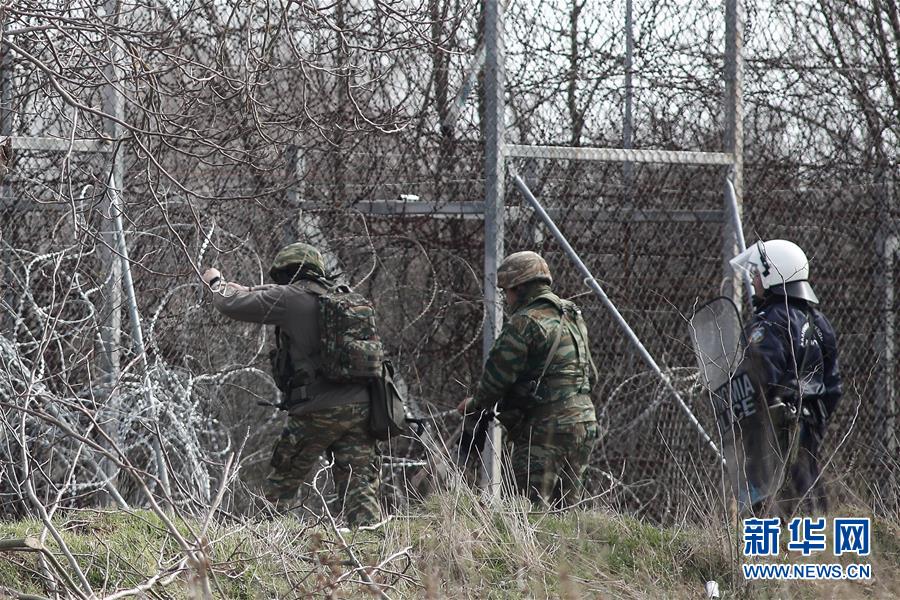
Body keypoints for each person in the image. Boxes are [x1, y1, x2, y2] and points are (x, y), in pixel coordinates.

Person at [202, 242, 381, 526]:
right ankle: (371, 556)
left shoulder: (289, 299)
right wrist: (248, 289)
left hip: (316, 409)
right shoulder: (344, 299)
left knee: (281, 484)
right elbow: (262, 294)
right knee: (360, 490)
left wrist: (215, 281)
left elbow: (230, 303)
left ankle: (266, 546)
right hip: (361, 406)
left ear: (288, 273)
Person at [457, 250, 599, 507]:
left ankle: (536, 550)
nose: (507, 298)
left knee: (530, 510)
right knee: (569, 511)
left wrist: (473, 404)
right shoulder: (572, 316)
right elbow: (591, 374)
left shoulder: (524, 322)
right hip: (584, 422)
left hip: (545, 428)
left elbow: (495, 380)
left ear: (521, 288)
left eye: (508, 291)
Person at [730, 239, 842, 515]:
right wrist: (814, 416)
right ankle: (816, 547)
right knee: (807, 491)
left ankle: (766, 552)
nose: (754, 281)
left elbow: (759, 377)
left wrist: (743, 409)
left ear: (773, 275)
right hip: (810, 426)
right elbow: (834, 385)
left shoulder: (769, 321)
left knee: (765, 499)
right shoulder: (818, 321)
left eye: (757, 274)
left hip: (774, 428)